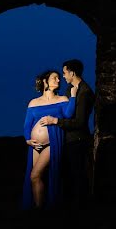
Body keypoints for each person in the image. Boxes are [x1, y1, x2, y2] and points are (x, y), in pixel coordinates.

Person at [38, 58, 95, 209]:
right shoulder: (70, 89)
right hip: (67, 139)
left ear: (72, 72)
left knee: (77, 176)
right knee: (68, 176)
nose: (63, 76)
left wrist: (56, 121)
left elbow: (79, 122)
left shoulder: (84, 92)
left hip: (77, 140)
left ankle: (80, 209)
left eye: (64, 72)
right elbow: (67, 112)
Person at [21, 70, 75, 210]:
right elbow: (27, 125)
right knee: (37, 177)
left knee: (35, 175)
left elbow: (68, 114)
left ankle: (41, 211)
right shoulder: (33, 102)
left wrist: (73, 97)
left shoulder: (62, 99)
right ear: (45, 81)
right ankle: (38, 206)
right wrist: (28, 139)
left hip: (52, 141)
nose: (58, 80)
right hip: (35, 145)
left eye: (59, 78)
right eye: (54, 78)